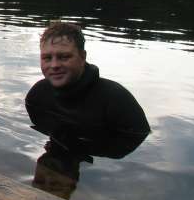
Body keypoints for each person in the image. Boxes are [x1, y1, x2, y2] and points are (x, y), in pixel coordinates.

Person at [25, 21, 150, 156]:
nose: (54, 65)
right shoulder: (37, 95)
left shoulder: (117, 100)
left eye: (64, 57)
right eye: (47, 58)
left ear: (83, 57)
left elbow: (139, 145)